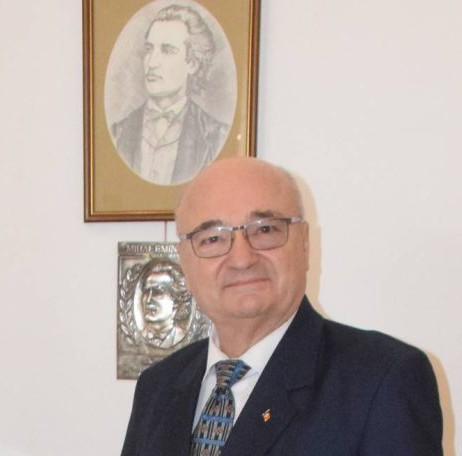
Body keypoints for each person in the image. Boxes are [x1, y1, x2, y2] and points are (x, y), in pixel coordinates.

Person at [121, 157, 443, 455]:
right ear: (185, 263)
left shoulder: (382, 381)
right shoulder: (158, 387)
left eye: (265, 230)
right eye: (213, 238)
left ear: (304, 243)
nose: (242, 259)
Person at [112, 4, 228, 186]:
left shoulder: (216, 135)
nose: (152, 62)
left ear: (192, 64)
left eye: (167, 50)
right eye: (149, 49)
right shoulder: (117, 133)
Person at [138, 261, 191, 349]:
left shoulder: (183, 337)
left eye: (157, 292)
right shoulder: (137, 339)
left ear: (176, 301)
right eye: (146, 292)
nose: (148, 300)